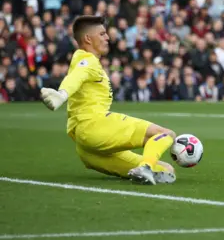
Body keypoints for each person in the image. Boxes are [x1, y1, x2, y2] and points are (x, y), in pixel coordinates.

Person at [40, 16, 177, 185]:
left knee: (167, 171)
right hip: (95, 126)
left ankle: (145, 169)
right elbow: (76, 77)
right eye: (103, 33)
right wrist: (61, 94)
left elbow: (77, 75)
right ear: (88, 39)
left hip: (85, 148)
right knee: (166, 134)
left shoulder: (83, 60)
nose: (108, 38)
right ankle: (146, 167)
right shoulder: (87, 61)